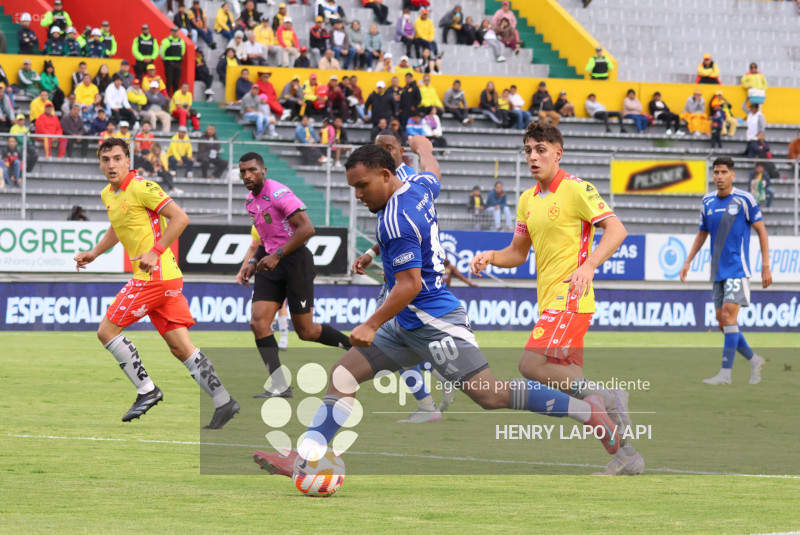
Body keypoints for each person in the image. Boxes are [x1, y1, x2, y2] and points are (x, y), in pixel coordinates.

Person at [254, 137, 624, 477]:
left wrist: (370, 324)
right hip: (405, 322)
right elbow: (433, 172)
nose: (358, 196)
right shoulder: (415, 185)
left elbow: (410, 284)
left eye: (362, 186)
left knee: (490, 395)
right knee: (343, 375)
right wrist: (425, 148)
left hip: (435, 320)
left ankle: (587, 410)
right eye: (353, 188)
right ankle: (307, 457)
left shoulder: (397, 220)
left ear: (385, 176)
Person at [470, 122, 642, 476]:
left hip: (571, 299)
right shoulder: (526, 200)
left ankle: (611, 397)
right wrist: (491, 255)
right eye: (529, 150)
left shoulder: (577, 189)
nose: (533, 157)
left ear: (557, 153)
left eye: (541, 150)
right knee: (578, 391)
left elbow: (617, 229)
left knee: (530, 366)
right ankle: (627, 455)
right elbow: (517, 253)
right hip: (550, 303)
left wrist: (590, 265)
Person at [73, 137, 238, 429]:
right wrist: (95, 253)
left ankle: (147, 389)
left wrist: (155, 251)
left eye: (116, 158)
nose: (110, 164)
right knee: (181, 347)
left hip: (155, 277)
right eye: (105, 159)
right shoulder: (109, 194)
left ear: (128, 161)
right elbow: (118, 226)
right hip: (167, 279)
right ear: (100, 164)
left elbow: (181, 218)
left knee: (106, 331)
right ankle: (224, 400)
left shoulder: (142, 187)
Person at [235, 152, 351, 397]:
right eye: (243, 171)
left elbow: (307, 228)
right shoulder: (249, 202)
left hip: (295, 261)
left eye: (252, 170)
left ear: (263, 170)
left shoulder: (278, 193)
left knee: (306, 331)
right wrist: (253, 262)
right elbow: (265, 242)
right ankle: (279, 384)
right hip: (270, 265)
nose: (247, 175)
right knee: (258, 322)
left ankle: (353, 346)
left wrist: (277, 255)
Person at [680, 157, 771, 386]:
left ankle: (725, 374)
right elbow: (702, 233)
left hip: (738, 269)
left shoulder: (744, 199)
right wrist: (688, 261)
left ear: (733, 175)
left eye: (723, 172)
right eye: (716, 172)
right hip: (717, 271)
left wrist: (765, 265)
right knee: (723, 323)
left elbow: (761, 231)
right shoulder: (707, 202)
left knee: (730, 317)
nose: (719, 176)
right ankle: (754, 360)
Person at [161, 26, 186, 95]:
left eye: (176, 31)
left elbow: (182, 51)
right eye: (173, 32)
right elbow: (162, 51)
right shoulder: (166, 41)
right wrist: (166, 60)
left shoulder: (181, 41)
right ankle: (167, 95)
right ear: (171, 32)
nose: (175, 33)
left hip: (178, 63)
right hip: (169, 63)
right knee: (169, 81)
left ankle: (175, 96)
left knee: (176, 81)